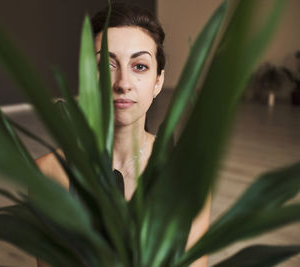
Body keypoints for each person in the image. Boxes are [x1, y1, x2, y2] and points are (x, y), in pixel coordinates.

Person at [36, 3, 210, 267]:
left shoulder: (188, 177)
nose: (122, 83)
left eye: (139, 66)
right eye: (106, 65)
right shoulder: (49, 174)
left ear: (158, 82)